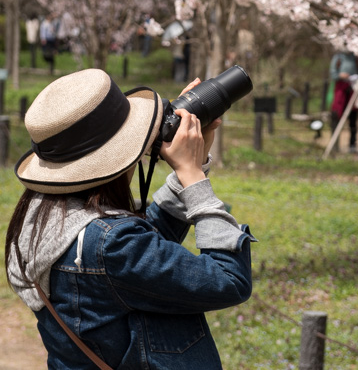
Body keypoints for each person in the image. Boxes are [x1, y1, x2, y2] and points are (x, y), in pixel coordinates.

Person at [4, 67, 253, 369]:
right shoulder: (111, 244)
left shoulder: (46, 219)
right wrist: (192, 177)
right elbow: (229, 280)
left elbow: (147, 256)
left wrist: (193, 162)